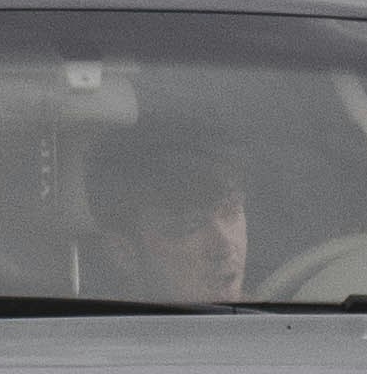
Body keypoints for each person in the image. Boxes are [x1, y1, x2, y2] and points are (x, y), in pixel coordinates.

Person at [87, 127, 248, 305]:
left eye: (231, 212)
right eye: (190, 225)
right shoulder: (96, 330)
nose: (224, 248)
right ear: (122, 251)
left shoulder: (273, 322)